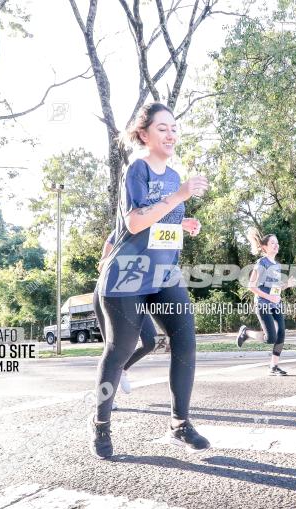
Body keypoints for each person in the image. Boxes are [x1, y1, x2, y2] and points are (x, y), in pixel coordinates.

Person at [90, 102, 208, 459]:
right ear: (144, 134)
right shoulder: (136, 170)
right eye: (162, 128)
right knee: (119, 350)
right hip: (127, 275)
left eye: (174, 128)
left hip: (163, 273)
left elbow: (159, 227)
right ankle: (100, 425)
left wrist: (181, 223)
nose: (171, 134)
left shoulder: (174, 177)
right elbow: (135, 223)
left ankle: (180, 423)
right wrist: (179, 197)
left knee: (185, 342)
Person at [94, 231, 158, 408]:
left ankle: (123, 368)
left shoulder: (152, 230)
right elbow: (101, 266)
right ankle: (103, 399)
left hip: (134, 294)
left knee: (151, 341)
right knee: (112, 350)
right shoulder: (119, 233)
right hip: (108, 293)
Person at [236, 227, 296, 375]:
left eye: (277, 243)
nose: (276, 245)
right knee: (271, 338)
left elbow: (274, 288)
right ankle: (246, 332)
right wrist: (269, 297)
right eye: (272, 243)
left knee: (281, 333)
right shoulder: (261, 263)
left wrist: (287, 285)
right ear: (264, 247)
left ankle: (273, 367)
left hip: (275, 304)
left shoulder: (276, 265)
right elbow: (251, 286)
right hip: (263, 304)